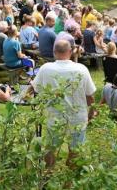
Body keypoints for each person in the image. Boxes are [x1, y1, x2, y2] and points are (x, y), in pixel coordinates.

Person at [31, 40, 96, 168]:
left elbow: (35, 90)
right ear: (71, 52)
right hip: (78, 116)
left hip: (54, 117)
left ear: (54, 52)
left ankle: (47, 176)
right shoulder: (82, 69)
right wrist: (91, 112)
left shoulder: (45, 68)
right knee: (75, 149)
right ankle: (69, 182)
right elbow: (90, 97)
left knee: (50, 148)